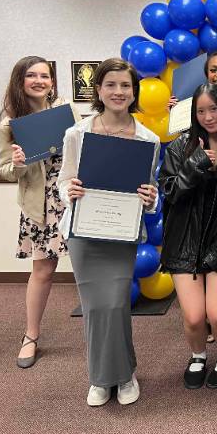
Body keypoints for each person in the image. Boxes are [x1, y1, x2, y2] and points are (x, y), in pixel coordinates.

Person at [57, 58, 160, 407]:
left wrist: (150, 199)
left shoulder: (148, 138)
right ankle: (101, 379)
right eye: (111, 85)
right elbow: (64, 180)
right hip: (84, 232)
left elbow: (150, 191)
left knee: (116, 304)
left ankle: (125, 373)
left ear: (135, 91)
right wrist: (69, 190)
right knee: (94, 306)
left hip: (120, 232)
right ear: (98, 90)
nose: (118, 92)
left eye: (125, 86)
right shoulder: (78, 133)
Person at [0, 56, 81, 369]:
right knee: (43, 271)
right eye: (31, 75)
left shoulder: (66, 110)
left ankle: (99, 332)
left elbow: (82, 146)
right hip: (41, 203)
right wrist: (19, 163)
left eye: (44, 76)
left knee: (87, 265)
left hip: (72, 195)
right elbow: (5, 169)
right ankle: (30, 336)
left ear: (51, 81)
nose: (38, 81)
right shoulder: (10, 124)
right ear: (20, 81)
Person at [159, 83, 217, 390]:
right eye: (201, 111)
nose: (208, 116)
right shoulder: (180, 147)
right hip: (186, 242)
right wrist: (194, 166)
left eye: (214, 109)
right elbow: (168, 194)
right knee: (195, 318)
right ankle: (197, 356)